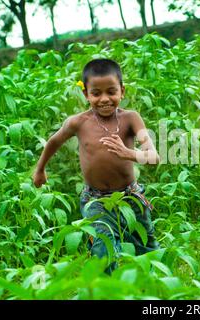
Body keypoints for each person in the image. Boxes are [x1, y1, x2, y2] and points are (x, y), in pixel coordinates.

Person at [33, 58, 160, 273]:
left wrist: (128, 153)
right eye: (96, 93)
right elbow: (54, 141)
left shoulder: (131, 119)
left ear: (122, 91)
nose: (104, 99)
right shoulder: (78, 122)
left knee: (146, 249)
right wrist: (40, 169)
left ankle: (152, 291)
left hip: (130, 196)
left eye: (111, 92)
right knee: (103, 250)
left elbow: (154, 156)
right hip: (95, 200)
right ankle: (108, 292)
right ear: (86, 94)